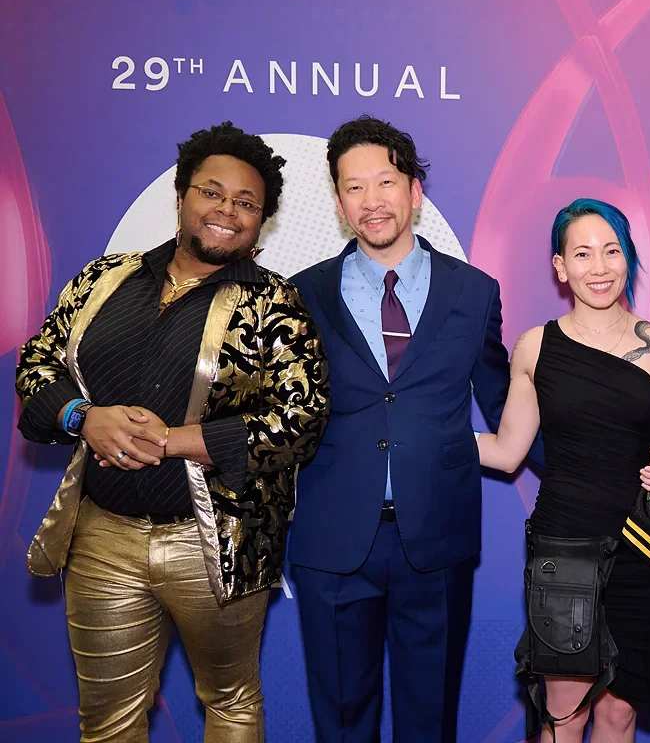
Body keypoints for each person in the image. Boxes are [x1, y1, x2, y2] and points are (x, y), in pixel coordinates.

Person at [15, 121, 330, 742]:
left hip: (215, 543)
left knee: (232, 702)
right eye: (213, 193)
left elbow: (303, 418)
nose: (228, 212)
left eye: (247, 204)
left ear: (260, 221)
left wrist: (175, 441)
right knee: (108, 722)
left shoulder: (274, 304)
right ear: (183, 196)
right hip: (102, 540)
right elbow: (38, 363)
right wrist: (85, 418)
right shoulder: (105, 278)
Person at [289, 115, 541, 741]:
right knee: (342, 722)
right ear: (340, 202)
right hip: (333, 542)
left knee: (430, 721)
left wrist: (596, 468)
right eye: (354, 187)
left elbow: (504, 397)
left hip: (436, 540)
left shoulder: (474, 291)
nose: (372, 201)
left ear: (414, 192)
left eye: (385, 182)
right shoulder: (301, 293)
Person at [478, 198, 650, 743]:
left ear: (628, 258)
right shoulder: (535, 347)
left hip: (644, 547)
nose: (599, 268)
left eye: (612, 251)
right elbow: (507, 452)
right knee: (564, 710)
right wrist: (422, 435)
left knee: (621, 711)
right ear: (560, 266)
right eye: (582, 254)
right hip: (564, 546)